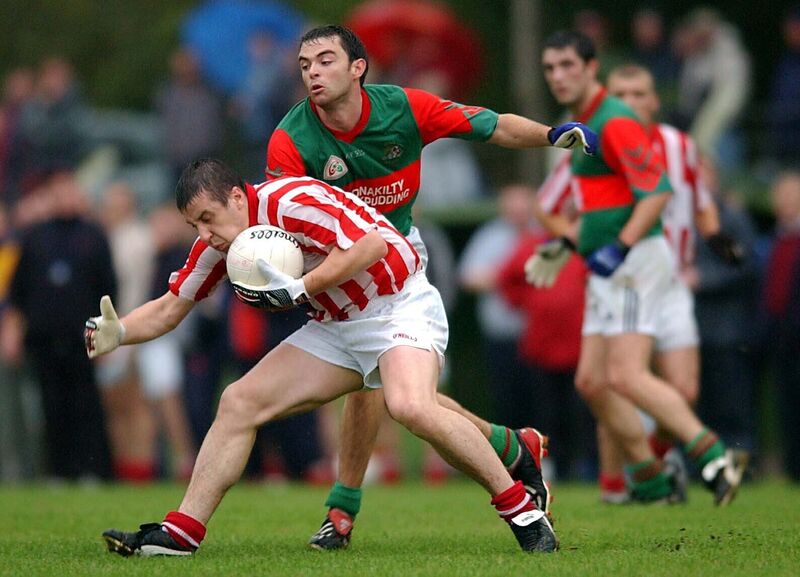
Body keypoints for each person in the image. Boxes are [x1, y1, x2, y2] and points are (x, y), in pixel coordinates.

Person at [92, 158, 558, 556]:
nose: (206, 233)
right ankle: (182, 533)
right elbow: (173, 307)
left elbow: (371, 244)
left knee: (411, 406)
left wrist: (301, 287)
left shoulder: (291, 201)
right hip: (338, 327)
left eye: (208, 218)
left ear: (237, 197)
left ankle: (523, 513)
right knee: (238, 401)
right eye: (195, 225)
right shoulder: (224, 243)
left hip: (399, 302)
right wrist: (122, 331)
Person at [266, 24, 597, 549]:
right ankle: (511, 446)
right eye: (305, 65)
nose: (312, 73)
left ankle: (344, 511)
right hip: (339, 267)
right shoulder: (291, 139)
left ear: (359, 68)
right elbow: (284, 223)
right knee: (393, 390)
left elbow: (489, 126)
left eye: (325, 60)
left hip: (400, 261)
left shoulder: (404, 108)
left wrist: (551, 136)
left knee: (396, 393)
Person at [525, 30, 747, 506]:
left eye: (567, 65)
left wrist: (619, 247)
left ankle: (712, 455)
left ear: (591, 67)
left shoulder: (615, 121)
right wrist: (568, 243)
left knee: (627, 377)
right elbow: (592, 201)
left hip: (632, 263)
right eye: (550, 68)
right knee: (592, 382)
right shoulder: (580, 122)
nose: (558, 76)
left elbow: (659, 191)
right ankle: (647, 476)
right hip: (611, 265)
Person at [3, 171, 115, 482]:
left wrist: (110, 337)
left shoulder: (93, 235)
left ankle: (92, 470)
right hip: (43, 337)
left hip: (84, 337)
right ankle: (58, 471)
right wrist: (13, 329)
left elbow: (108, 289)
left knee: (86, 405)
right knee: (52, 406)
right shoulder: (34, 236)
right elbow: (18, 292)